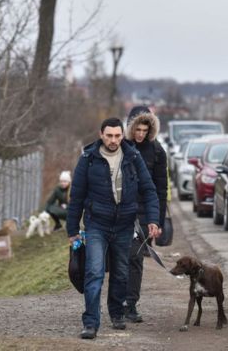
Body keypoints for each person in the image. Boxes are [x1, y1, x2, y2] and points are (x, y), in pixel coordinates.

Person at [66, 117, 161, 340]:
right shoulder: (88, 159)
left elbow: (148, 190)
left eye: (117, 135)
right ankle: (90, 322)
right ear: (101, 135)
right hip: (96, 224)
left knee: (120, 273)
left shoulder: (132, 157)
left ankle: (117, 313)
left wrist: (153, 220)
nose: (113, 140)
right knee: (94, 272)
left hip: (125, 225)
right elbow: (76, 196)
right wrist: (72, 230)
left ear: (121, 135)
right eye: (109, 135)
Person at [124, 106, 167, 323]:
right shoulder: (120, 147)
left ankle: (130, 304)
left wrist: (156, 221)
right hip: (120, 210)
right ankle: (118, 301)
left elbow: (161, 189)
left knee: (135, 258)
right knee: (118, 258)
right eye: (137, 129)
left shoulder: (157, 151)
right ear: (130, 127)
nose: (140, 134)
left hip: (143, 213)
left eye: (145, 130)